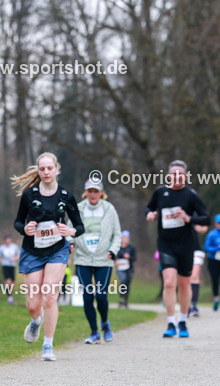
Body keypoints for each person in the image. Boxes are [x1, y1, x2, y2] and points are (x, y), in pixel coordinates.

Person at [11, 152, 84, 360]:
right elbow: (17, 222)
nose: (46, 172)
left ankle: (48, 346)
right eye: (42, 169)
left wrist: (70, 232)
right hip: (32, 251)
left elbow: (79, 226)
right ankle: (36, 321)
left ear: (56, 169)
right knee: (34, 305)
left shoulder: (66, 197)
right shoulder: (29, 195)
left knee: (50, 297)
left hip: (57, 250)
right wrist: (25, 229)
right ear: (38, 170)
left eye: (49, 168)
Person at [145, 160, 210, 338]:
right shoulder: (160, 192)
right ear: (168, 176)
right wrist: (149, 214)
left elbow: (206, 218)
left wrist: (189, 218)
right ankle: (170, 322)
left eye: (180, 174)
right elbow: (149, 207)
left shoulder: (191, 195)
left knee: (184, 284)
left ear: (186, 176)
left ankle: (183, 320)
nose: (177, 177)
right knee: (168, 282)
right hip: (166, 244)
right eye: (173, 174)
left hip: (186, 245)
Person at [73, 178, 122, 344]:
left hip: (103, 258)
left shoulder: (109, 209)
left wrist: (113, 250)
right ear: (86, 192)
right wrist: (70, 242)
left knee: (101, 296)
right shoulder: (78, 209)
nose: (93, 194)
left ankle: (105, 323)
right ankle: (94, 331)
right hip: (83, 258)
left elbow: (117, 234)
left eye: (96, 191)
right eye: (90, 191)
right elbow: (69, 230)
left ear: (101, 193)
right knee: (87, 297)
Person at [0, 235, 20, 304]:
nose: (8, 242)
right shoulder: (1, 248)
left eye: (9, 240)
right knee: (8, 282)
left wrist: (15, 259)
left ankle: (8, 293)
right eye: (6, 241)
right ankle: (10, 298)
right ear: (5, 241)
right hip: (5, 266)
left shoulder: (14, 247)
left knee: (12, 284)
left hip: (12, 266)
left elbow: (18, 255)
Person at [189, 225, 209, 316]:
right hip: (182, 250)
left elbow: (204, 228)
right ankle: (187, 306)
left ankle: (194, 306)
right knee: (186, 279)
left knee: (194, 276)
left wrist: (198, 227)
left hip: (196, 250)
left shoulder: (193, 213)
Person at [115, 230, 137, 308]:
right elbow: (114, 256)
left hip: (129, 269)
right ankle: (121, 299)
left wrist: (129, 257)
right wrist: (115, 261)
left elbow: (134, 258)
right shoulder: (118, 247)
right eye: (124, 237)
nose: (125, 239)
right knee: (123, 281)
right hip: (120, 269)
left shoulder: (131, 247)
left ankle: (126, 301)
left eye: (127, 238)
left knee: (127, 284)